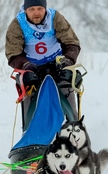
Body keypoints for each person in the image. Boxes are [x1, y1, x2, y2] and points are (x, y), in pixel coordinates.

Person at [5, 0, 81, 128]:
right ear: (25, 10)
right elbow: (13, 53)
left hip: (57, 65)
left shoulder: (55, 18)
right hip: (31, 67)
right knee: (28, 86)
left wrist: (67, 60)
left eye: (40, 9)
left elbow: (72, 43)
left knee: (67, 81)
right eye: (32, 9)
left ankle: (74, 127)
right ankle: (29, 130)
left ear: (45, 8)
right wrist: (26, 66)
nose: (36, 13)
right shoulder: (18, 24)